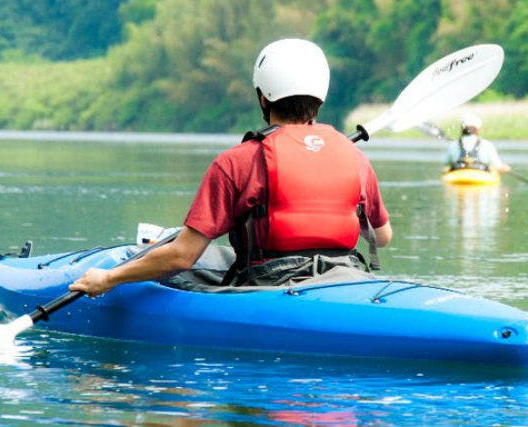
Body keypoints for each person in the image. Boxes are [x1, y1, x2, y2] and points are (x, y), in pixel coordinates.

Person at [70, 38, 392, 296]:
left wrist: (110, 278)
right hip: (348, 277)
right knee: (215, 259)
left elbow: (183, 256)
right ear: (320, 99)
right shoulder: (354, 159)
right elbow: (382, 236)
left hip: (270, 285)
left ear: (263, 99)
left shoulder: (238, 161)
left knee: (165, 272)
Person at [445, 113, 510, 173]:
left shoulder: (453, 145)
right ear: (477, 129)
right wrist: (504, 168)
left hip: (458, 176)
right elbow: (498, 166)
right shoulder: (487, 145)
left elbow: (447, 163)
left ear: (462, 129)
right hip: (480, 176)